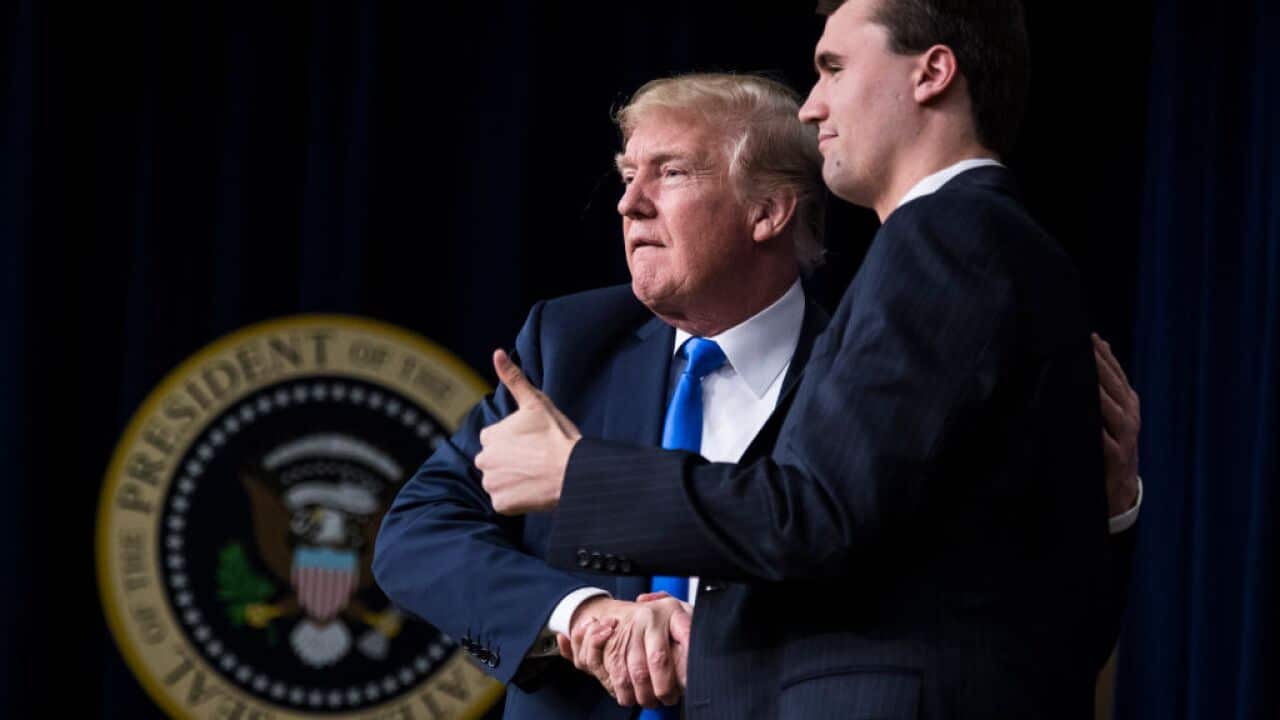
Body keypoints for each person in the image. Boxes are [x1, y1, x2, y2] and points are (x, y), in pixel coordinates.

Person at [375, 72, 1142, 720]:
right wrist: (582, 616)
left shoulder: (881, 373)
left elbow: (983, 619)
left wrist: (1104, 510)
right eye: (626, 174)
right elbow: (416, 532)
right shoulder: (570, 345)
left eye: (670, 173)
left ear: (768, 212)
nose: (629, 203)